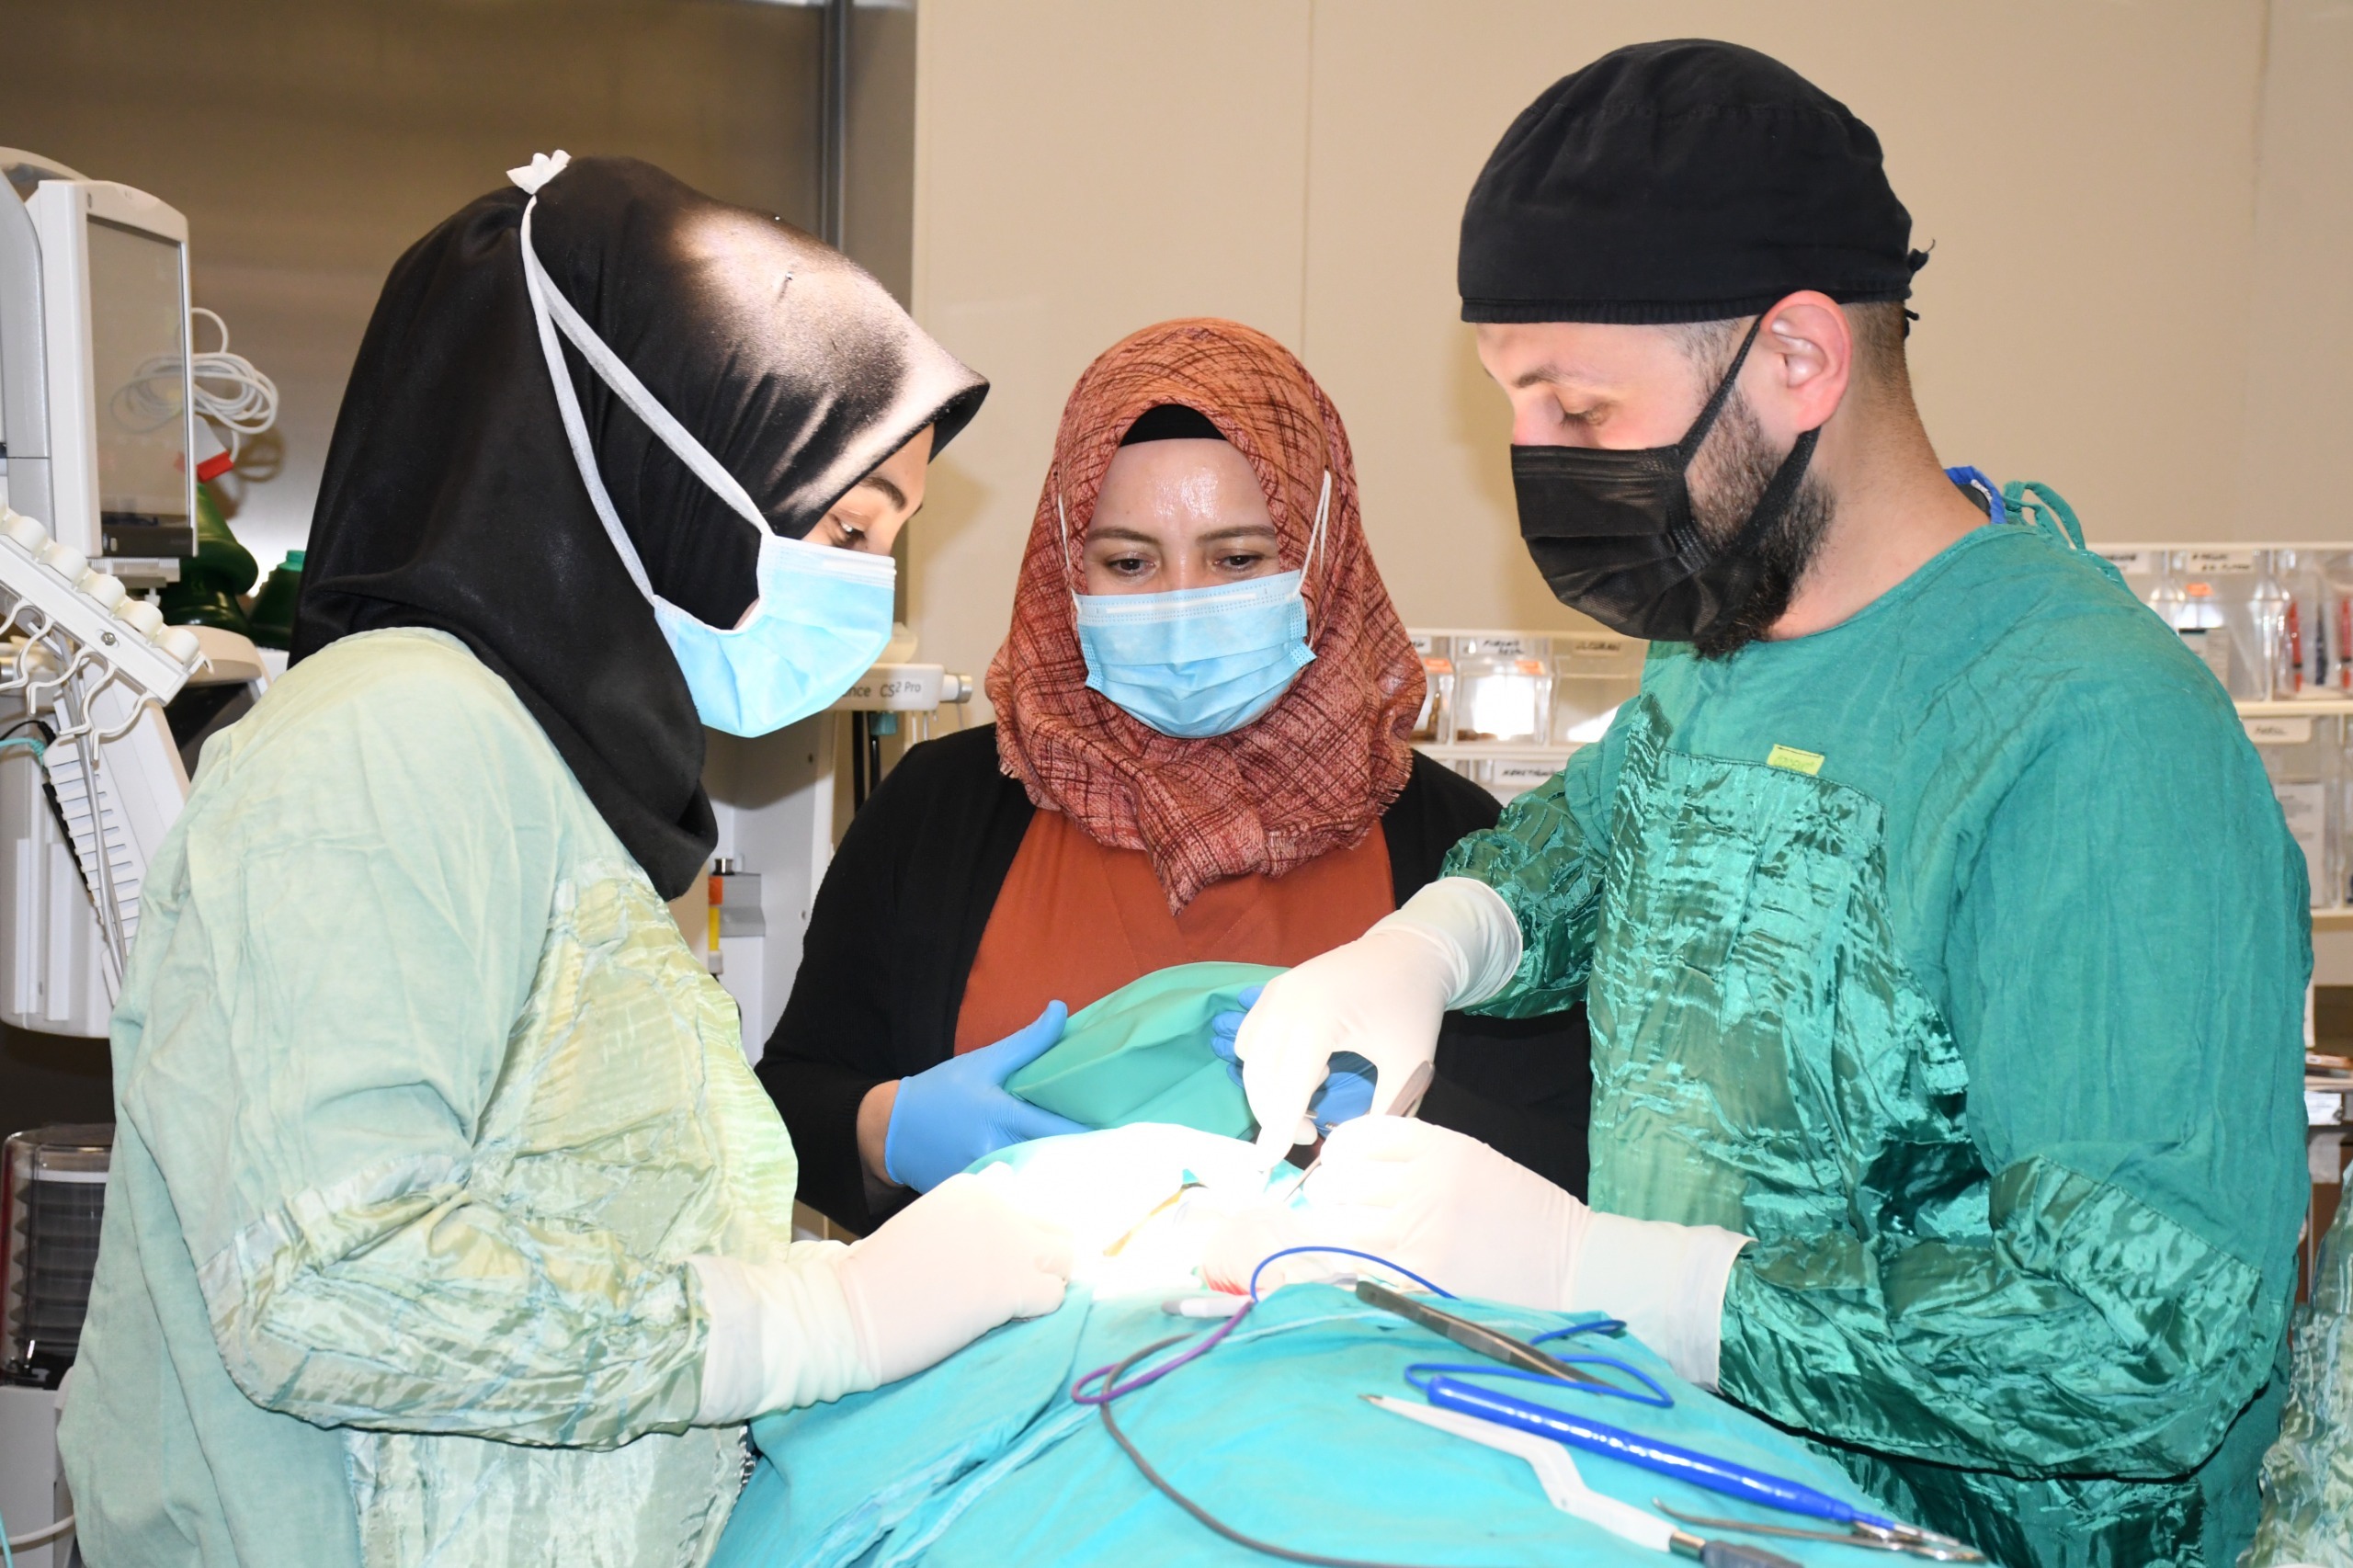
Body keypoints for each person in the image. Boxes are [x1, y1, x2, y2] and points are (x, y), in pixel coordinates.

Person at [1232, 41, 2307, 1567]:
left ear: (1799, 357)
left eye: (1579, 407)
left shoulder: (2093, 738)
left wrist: (1621, 1278)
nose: (1537, 461)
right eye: (1514, 404)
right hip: (1693, 1505)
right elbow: (1609, 831)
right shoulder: (1730, 637)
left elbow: (2142, 1338)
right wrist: (1437, 940)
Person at [58, 153, 1072, 1568]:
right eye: (844, 528)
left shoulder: (548, 770)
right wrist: (822, 1319)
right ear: (665, 468)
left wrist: (847, 1285)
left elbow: (568, 1203)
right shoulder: (388, 740)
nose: (865, 592)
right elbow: (330, 1283)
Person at [758, 317, 1591, 1233]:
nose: (1183, 602)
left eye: (1238, 559)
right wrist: (892, 1129)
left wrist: (1413, 1120)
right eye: (1129, 562)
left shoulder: (1455, 847)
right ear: (1066, 566)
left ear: (1321, 554)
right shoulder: (940, 810)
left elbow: (1571, 1168)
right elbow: (788, 1104)